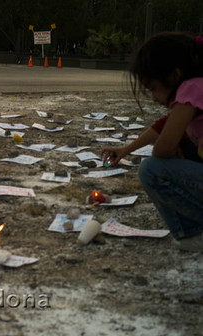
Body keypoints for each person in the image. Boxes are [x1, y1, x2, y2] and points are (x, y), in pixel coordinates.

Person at [101, 32, 203, 252]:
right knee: (184, 148)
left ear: (174, 75)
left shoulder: (193, 88)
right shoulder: (196, 90)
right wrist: (125, 150)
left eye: (154, 88)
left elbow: (162, 149)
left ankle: (192, 233)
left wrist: (171, 145)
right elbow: (164, 126)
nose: (155, 98)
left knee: (152, 170)